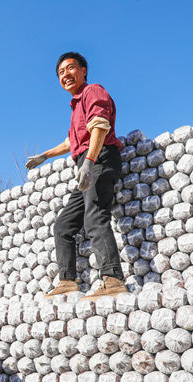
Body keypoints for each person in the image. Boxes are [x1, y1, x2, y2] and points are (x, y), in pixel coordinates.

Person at [26, 51, 126, 298]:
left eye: (70, 68)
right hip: (86, 163)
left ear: (83, 71)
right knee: (63, 226)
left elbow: (100, 125)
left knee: (95, 215)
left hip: (100, 158)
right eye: (60, 72)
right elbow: (71, 141)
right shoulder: (76, 107)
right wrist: (44, 156)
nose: (65, 75)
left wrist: (90, 161)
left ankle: (112, 279)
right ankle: (68, 282)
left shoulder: (93, 91)